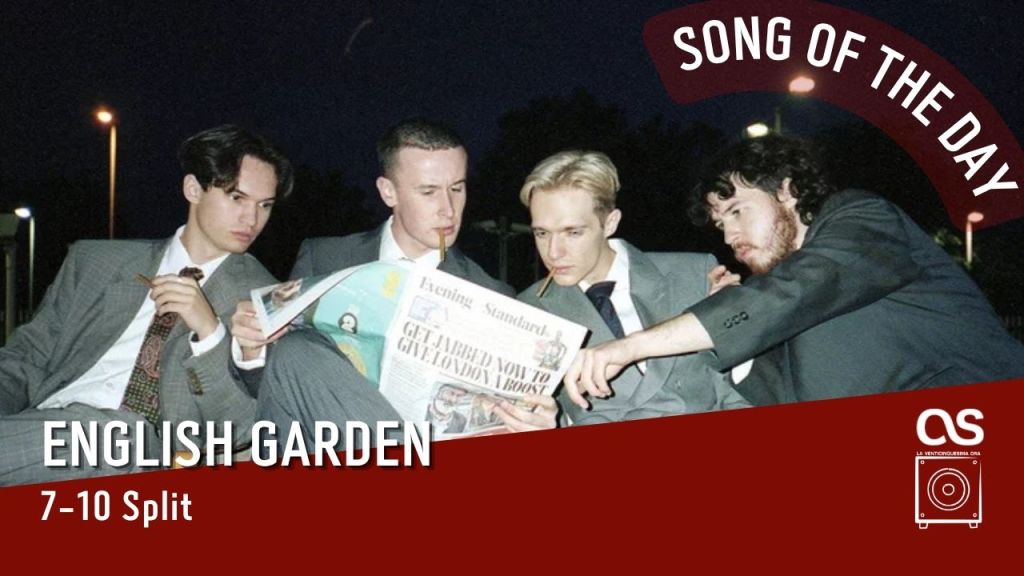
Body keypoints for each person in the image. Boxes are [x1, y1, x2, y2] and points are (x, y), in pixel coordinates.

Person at [564, 135, 1024, 408]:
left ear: (786, 190)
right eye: (721, 225)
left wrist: (631, 345)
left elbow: (800, 288)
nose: (729, 236)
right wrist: (732, 335)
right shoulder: (782, 300)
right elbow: (782, 396)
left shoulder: (863, 219)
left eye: (737, 211)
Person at [230, 118, 556, 450]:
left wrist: (530, 421)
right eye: (428, 192)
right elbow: (279, 390)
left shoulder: (492, 296)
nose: (448, 210)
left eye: (457, 188)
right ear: (389, 192)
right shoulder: (324, 258)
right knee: (295, 349)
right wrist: (252, 349)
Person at [0, 124, 293, 484]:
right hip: (43, 433)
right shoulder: (95, 262)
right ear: (193, 189)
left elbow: (240, 429)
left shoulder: (266, 298)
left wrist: (210, 332)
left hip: (143, 448)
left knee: (119, 435)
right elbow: (24, 359)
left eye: (265, 205)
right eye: (237, 198)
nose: (252, 220)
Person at [517, 150, 748, 424]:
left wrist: (737, 321)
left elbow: (739, 385)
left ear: (610, 223)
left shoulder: (693, 274)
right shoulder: (528, 312)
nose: (554, 252)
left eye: (573, 232)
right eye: (542, 233)